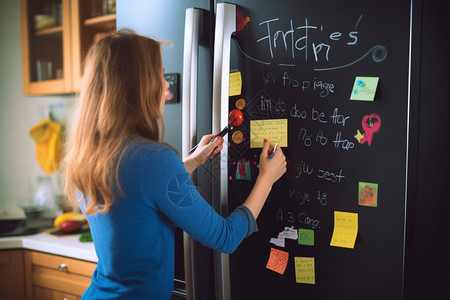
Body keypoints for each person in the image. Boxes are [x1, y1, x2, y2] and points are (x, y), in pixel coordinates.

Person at [62, 30, 286, 300]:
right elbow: (226, 237)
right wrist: (266, 178)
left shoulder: (88, 154)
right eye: (160, 75)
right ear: (139, 86)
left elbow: (138, 192)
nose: (167, 88)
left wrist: (194, 161)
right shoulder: (154, 159)